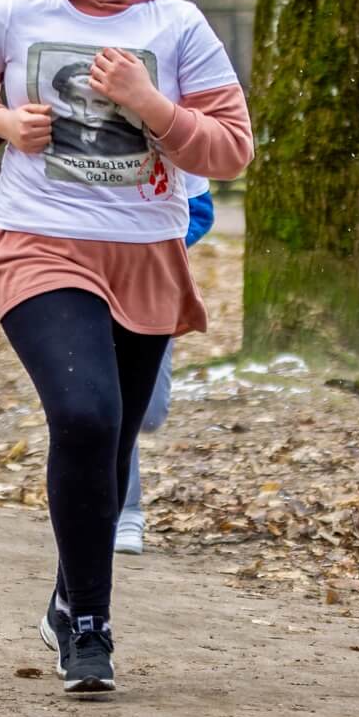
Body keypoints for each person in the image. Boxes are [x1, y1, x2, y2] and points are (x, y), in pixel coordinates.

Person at [0, 0, 252, 692]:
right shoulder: (15, 10)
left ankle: (68, 595)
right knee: (84, 414)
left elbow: (231, 147)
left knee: (112, 441)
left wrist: (151, 104)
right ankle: (91, 628)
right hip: (38, 243)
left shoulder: (178, 25)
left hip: (144, 253)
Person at [114, 177, 213, 556]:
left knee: (149, 415)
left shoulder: (168, 144)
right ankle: (126, 512)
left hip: (152, 285)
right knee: (106, 406)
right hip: (86, 283)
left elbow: (201, 210)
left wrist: (155, 244)